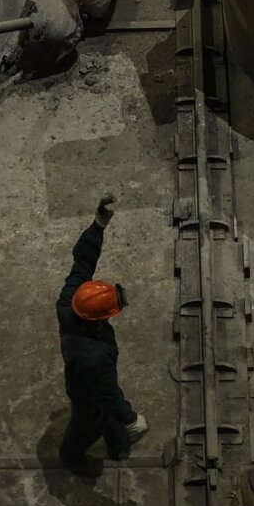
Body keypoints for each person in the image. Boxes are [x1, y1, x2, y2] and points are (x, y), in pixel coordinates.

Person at [55, 194, 147, 477]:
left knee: (105, 415)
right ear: (103, 318)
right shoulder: (94, 357)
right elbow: (108, 395)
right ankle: (71, 456)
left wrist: (97, 226)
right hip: (87, 394)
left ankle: (117, 443)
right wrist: (131, 418)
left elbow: (82, 262)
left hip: (83, 378)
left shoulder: (70, 302)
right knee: (88, 423)